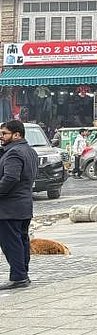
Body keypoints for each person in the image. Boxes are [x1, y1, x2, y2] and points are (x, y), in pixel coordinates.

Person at [0, 120, 37, 290]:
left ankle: (19, 276)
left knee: (12, 243)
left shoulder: (14, 153)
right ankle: (23, 274)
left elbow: (10, 178)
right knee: (21, 241)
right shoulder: (29, 150)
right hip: (23, 206)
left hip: (9, 208)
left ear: (17, 135)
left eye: (4, 133)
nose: (1, 137)